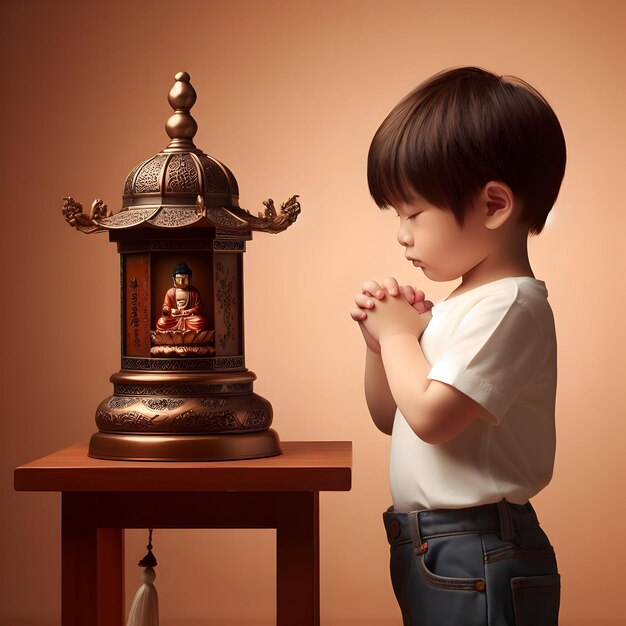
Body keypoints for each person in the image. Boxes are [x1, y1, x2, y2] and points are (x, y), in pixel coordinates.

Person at [350, 67, 566, 625]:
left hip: (477, 549)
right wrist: (380, 346)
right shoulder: (459, 307)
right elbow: (389, 414)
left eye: (413, 213)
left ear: (494, 205)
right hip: (435, 548)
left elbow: (431, 418)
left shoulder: (509, 307)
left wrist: (399, 334)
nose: (402, 234)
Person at [156, 262, 210, 332]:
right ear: (174, 279)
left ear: (190, 279)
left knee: (201, 321)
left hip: (188, 318)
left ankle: (180, 332)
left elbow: (198, 308)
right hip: (174, 319)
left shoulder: (194, 291)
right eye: (178, 279)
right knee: (161, 322)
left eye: (185, 279)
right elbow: (165, 307)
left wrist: (189, 311)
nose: (181, 282)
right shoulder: (170, 292)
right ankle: (185, 332)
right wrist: (170, 310)